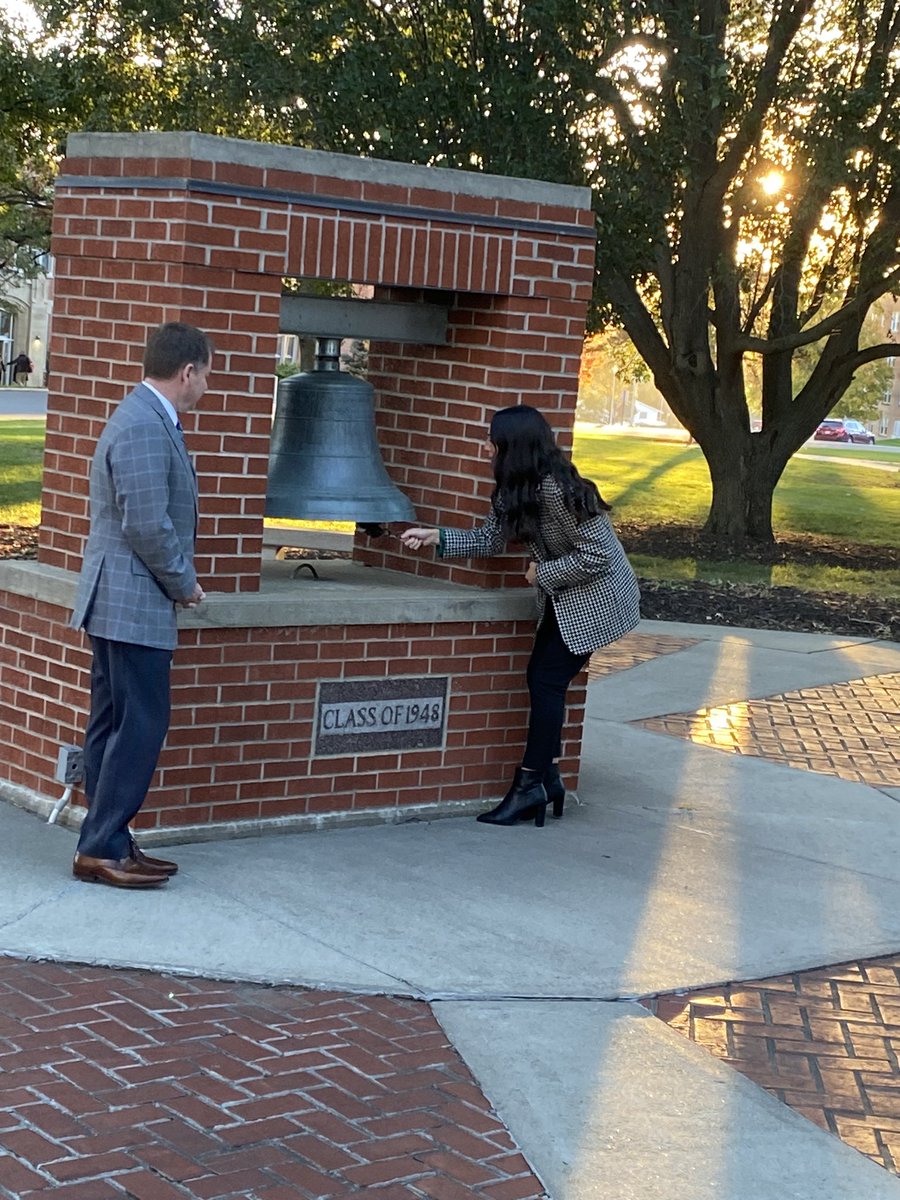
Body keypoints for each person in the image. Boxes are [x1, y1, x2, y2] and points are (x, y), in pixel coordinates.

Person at [401, 404, 640, 829]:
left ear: (512, 446)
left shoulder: (562, 490)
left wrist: (541, 571)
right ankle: (547, 778)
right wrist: (437, 536)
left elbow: (599, 555)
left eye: (492, 440)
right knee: (543, 679)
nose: (486, 447)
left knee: (545, 680)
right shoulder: (516, 486)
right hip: (566, 599)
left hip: (597, 600)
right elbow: (491, 537)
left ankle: (532, 784)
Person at [69, 322, 213, 887]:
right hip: (132, 602)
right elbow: (147, 524)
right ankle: (103, 845)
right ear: (187, 372)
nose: (206, 384)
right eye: (206, 373)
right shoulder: (145, 426)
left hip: (120, 600)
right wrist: (185, 584)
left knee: (114, 722)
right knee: (139, 725)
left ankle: (107, 841)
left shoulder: (144, 418)